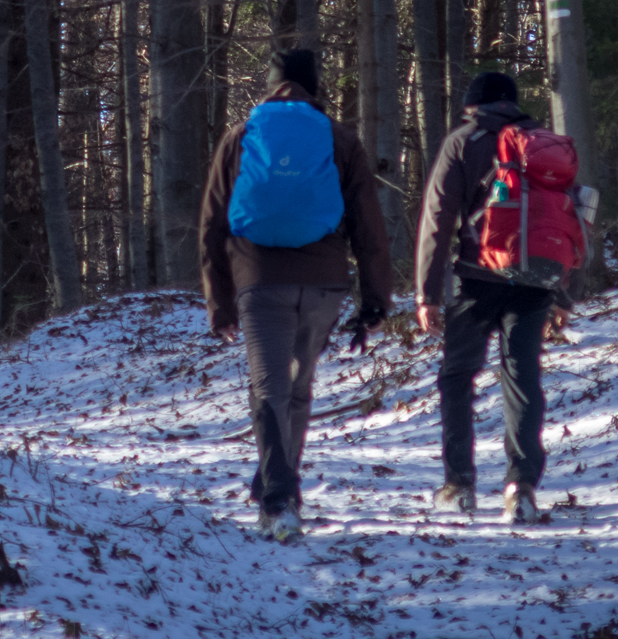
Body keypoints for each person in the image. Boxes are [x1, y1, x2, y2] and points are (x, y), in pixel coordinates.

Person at [200, 48, 395, 544]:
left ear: (271, 84)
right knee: (298, 385)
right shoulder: (338, 138)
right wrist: (375, 298)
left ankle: (278, 501)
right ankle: (281, 484)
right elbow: (368, 227)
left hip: (259, 279)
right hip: (323, 284)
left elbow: (212, 224)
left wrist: (219, 303)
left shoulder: (241, 136)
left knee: (269, 388)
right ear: (314, 87)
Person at [415, 70, 559, 526]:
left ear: (474, 105)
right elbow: (561, 223)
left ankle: (459, 485)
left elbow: (438, 219)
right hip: (536, 281)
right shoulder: (544, 143)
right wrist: (563, 294)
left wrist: (427, 293)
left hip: (477, 279)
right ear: (513, 104)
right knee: (521, 376)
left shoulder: (463, 142)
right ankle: (522, 488)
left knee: (457, 376)